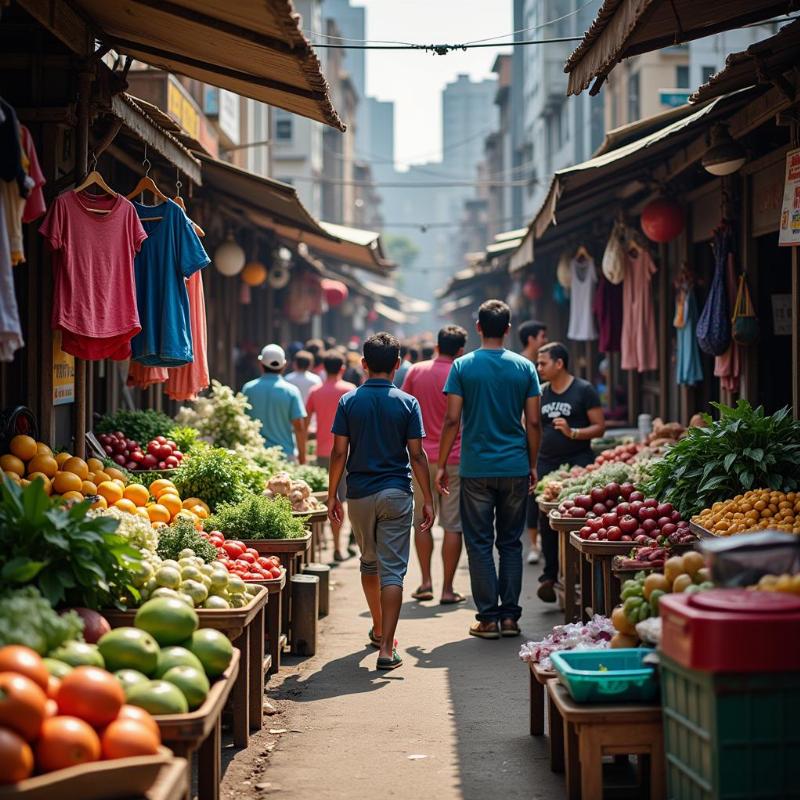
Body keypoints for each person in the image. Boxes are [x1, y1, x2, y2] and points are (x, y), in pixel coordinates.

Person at [327, 332, 435, 671]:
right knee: (394, 572)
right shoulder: (407, 403)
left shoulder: (349, 402)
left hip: (358, 494)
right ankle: (387, 648)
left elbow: (338, 451)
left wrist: (333, 493)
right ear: (398, 365)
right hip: (396, 493)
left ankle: (376, 626)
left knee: (369, 563)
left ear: (363, 364)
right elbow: (417, 456)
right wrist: (428, 497)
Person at [437, 300, 541, 639]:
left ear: (479, 328)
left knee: (479, 542)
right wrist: (533, 464)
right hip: (514, 466)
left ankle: (489, 619)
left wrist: (441, 464)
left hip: (475, 468)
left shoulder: (463, 366)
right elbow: (535, 422)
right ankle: (511, 617)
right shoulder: (525, 367)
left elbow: (452, 418)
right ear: (508, 328)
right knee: (511, 542)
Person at [535, 342, 605, 602]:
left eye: (543, 363)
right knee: (547, 519)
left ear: (559, 363)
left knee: (578, 518)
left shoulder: (584, 390)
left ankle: (578, 576)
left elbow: (599, 427)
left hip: (578, 463)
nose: (539, 367)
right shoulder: (540, 392)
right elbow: (531, 426)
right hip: (546, 463)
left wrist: (573, 432)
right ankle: (550, 576)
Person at [403, 325, 468, 604]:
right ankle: (447, 589)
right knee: (452, 525)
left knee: (422, 520)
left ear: (438, 346)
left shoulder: (416, 371)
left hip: (420, 458)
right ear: (461, 349)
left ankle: (426, 582)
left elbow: (405, 407)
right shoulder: (463, 371)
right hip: (456, 458)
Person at [306, 350, 356, 561]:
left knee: (326, 500)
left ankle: (328, 545)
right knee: (344, 500)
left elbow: (306, 421)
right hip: (348, 452)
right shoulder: (351, 390)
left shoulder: (316, 391)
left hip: (322, 454)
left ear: (323, 369)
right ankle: (344, 544)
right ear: (342, 368)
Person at [242, 344, 307, 464]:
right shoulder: (291, 391)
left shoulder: (248, 389)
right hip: (285, 456)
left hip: (254, 455)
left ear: (260, 364)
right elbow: (299, 427)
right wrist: (302, 458)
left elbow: (241, 421)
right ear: (284, 365)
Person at [518, 320, 548, 566]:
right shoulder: (524, 367)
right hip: (526, 439)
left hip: (533, 438)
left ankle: (540, 545)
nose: (544, 341)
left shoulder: (526, 366)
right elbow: (531, 419)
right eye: (542, 336)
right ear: (530, 339)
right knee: (531, 496)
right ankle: (534, 545)